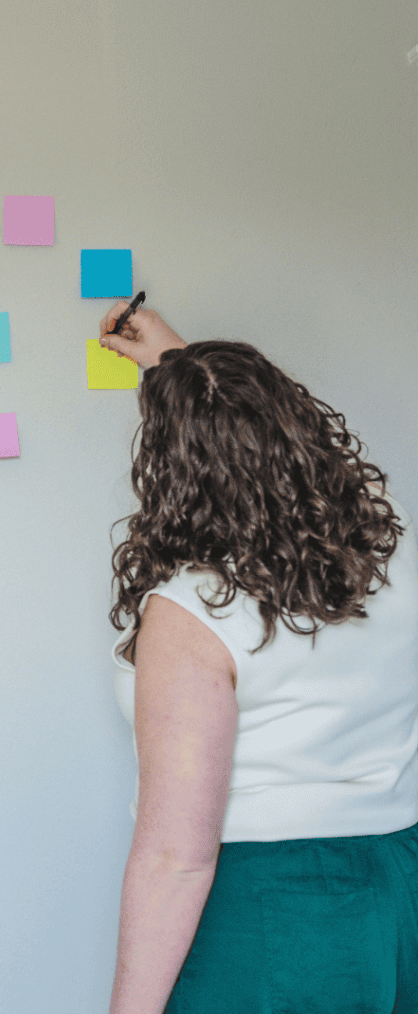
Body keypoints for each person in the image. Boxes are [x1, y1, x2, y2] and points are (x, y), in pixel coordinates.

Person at [97, 305, 418, 1013]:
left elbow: (177, 860)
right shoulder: (387, 548)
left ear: (175, 473)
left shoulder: (192, 612)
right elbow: (258, 440)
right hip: (399, 887)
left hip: (274, 909)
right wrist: (186, 369)